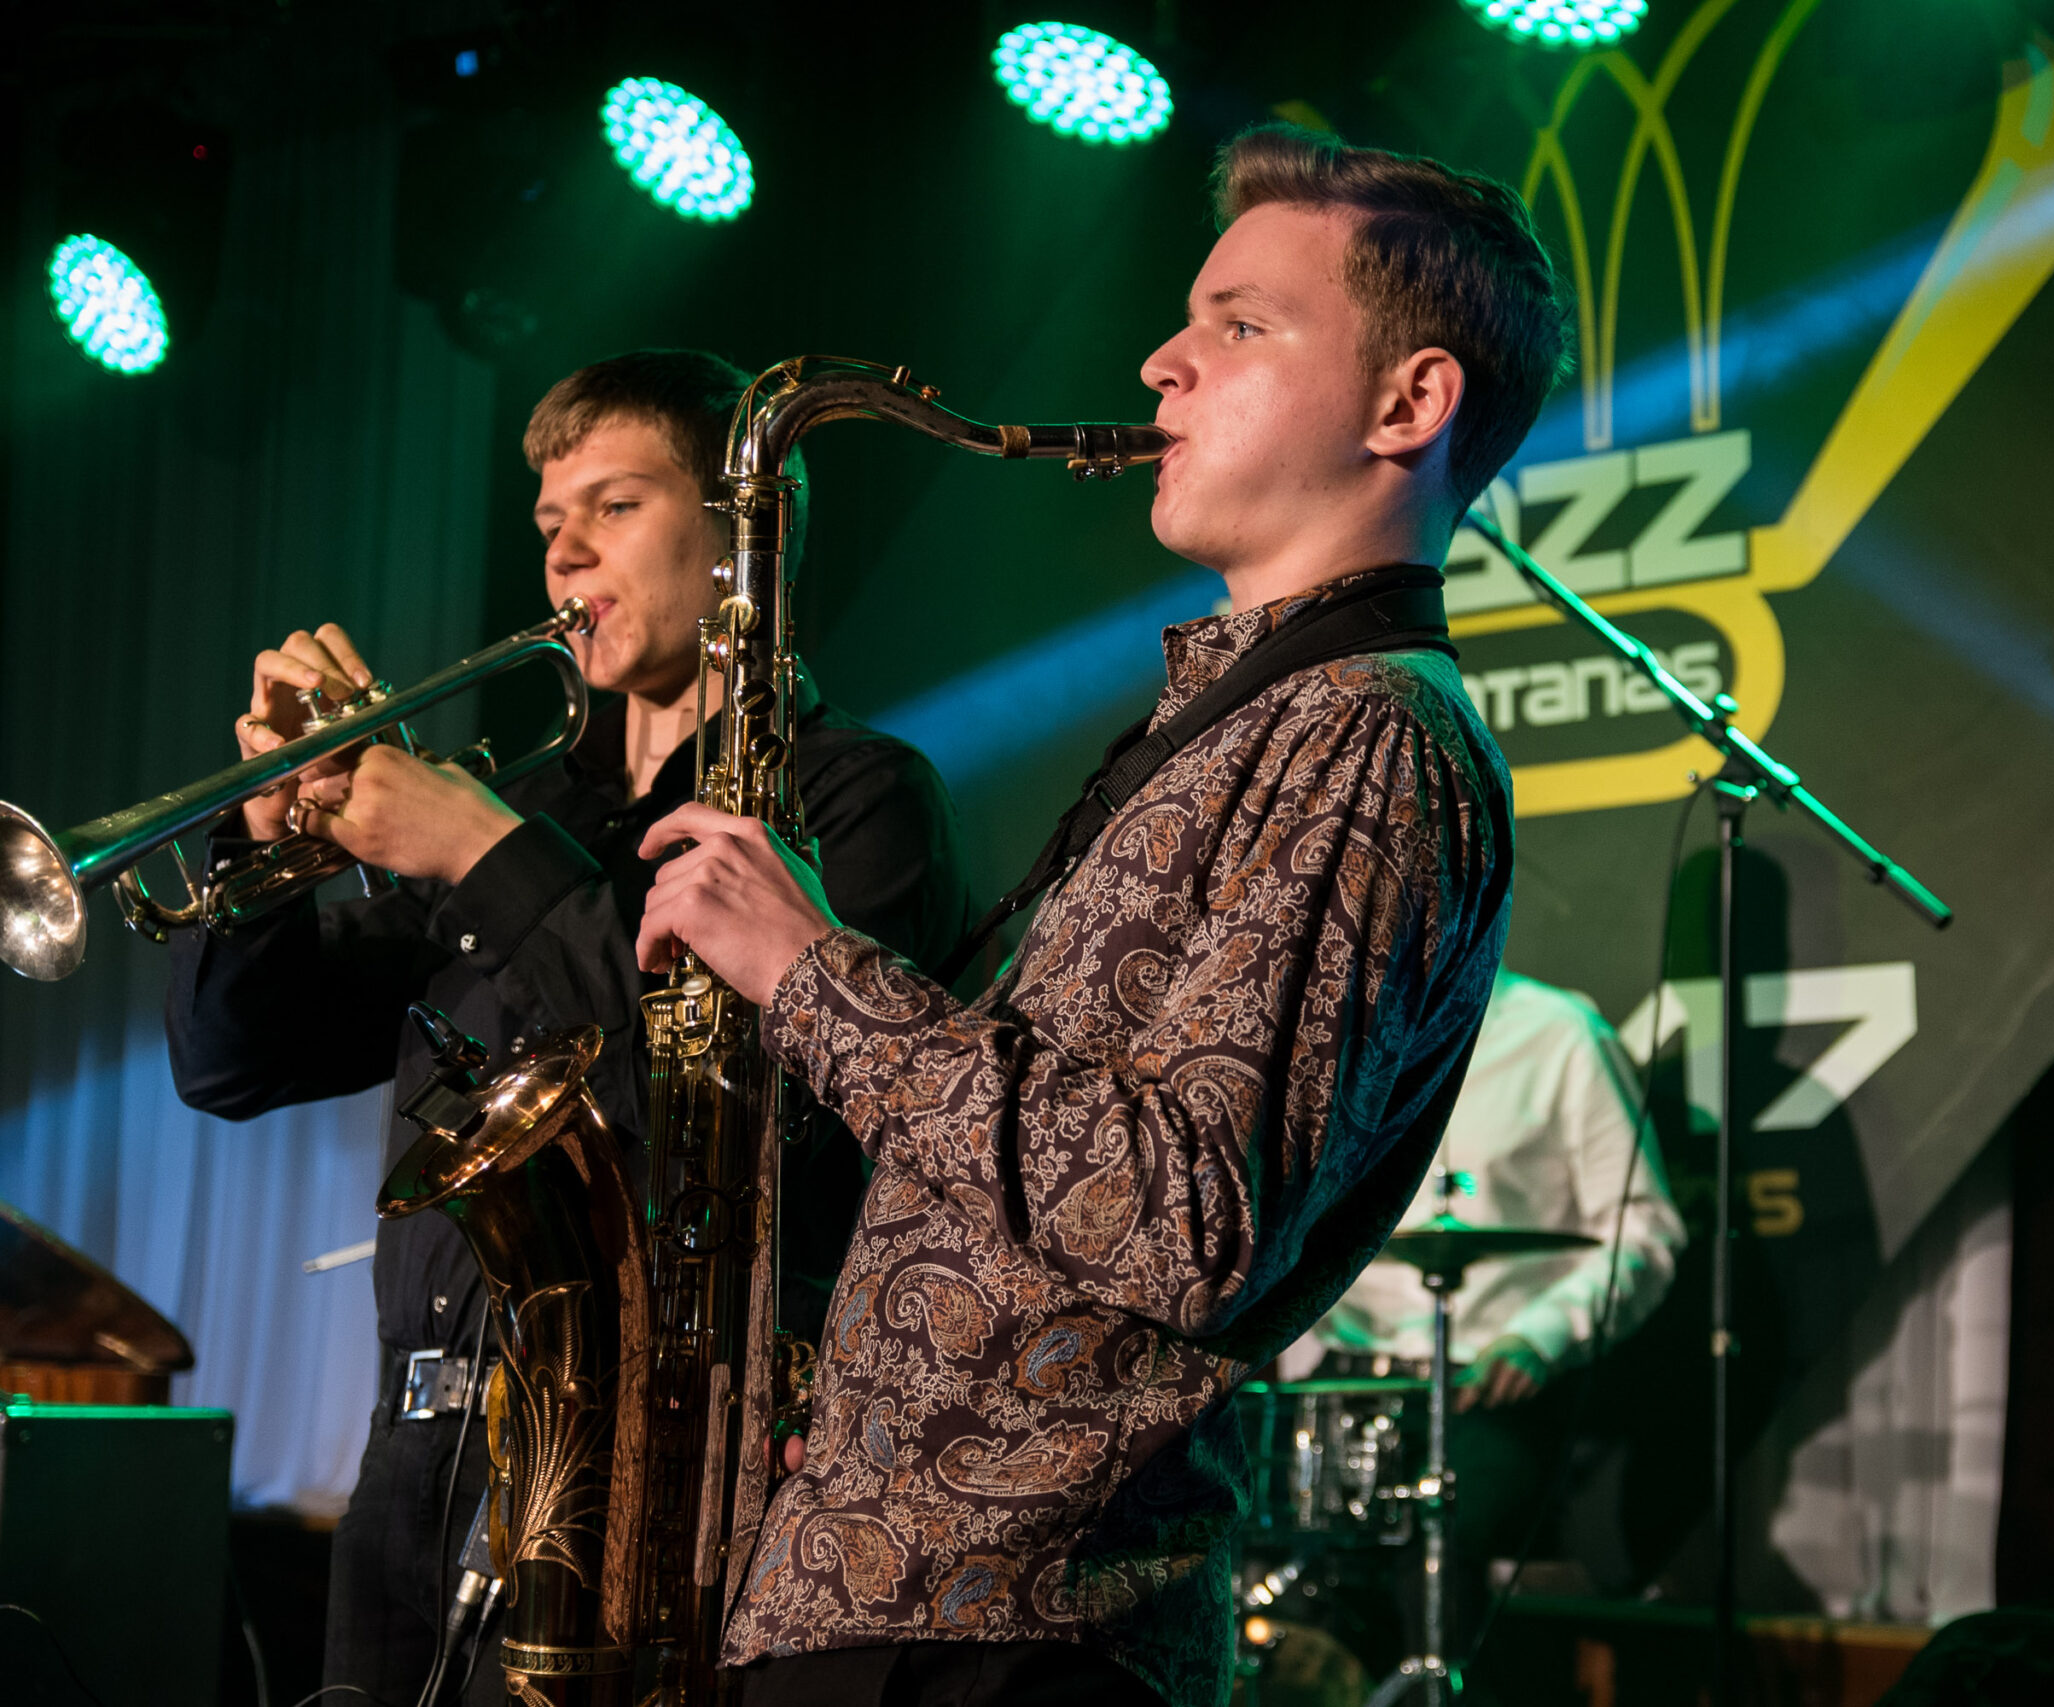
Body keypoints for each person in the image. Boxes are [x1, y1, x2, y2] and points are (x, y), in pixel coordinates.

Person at [631, 125, 1568, 1705]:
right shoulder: (1258, 721)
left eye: (1239, 325)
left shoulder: (1371, 736)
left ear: (1410, 403)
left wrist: (807, 965)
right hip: (913, 1597)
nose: (1159, 364)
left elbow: (1184, 1214)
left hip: (1012, 1632)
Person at [164, 349, 971, 1705]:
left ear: (748, 534)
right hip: (415, 1468)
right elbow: (231, 1060)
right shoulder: (526, 805)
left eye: (616, 506)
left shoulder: (856, 799)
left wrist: (481, 854)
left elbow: (750, 1123)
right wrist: (260, 839)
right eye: (550, 521)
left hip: (656, 1481)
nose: (565, 554)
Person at [1295, 965, 1686, 1678]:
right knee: (1261, 1553)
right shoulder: (1325, 1031)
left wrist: (1543, 1335)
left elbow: (1644, 1232)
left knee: (1444, 1548)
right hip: (1345, 1376)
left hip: (1489, 1382)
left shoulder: (1561, 1033)